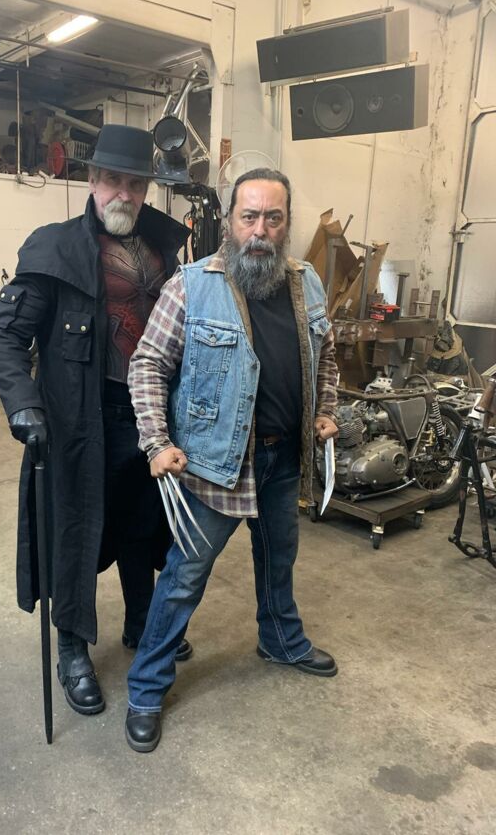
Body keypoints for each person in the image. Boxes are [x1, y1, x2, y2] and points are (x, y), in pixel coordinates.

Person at [124, 167, 340, 752]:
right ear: (229, 221)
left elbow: (326, 355)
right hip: (214, 465)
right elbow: (147, 364)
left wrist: (325, 409)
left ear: (287, 223)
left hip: (284, 458)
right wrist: (156, 442)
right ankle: (146, 689)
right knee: (183, 578)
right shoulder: (192, 285)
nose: (260, 230)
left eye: (273, 217)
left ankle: (280, 640)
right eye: (249, 217)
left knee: (279, 560)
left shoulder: (307, 283)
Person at [0, 124, 192, 719]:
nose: (124, 193)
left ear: (147, 188)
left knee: (143, 526)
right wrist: (23, 405)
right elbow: (6, 335)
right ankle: (72, 649)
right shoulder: (54, 248)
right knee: (74, 534)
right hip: (79, 421)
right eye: (113, 180)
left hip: (150, 419)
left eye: (135, 183)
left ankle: (140, 623)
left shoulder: (165, 250)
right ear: (92, 180)